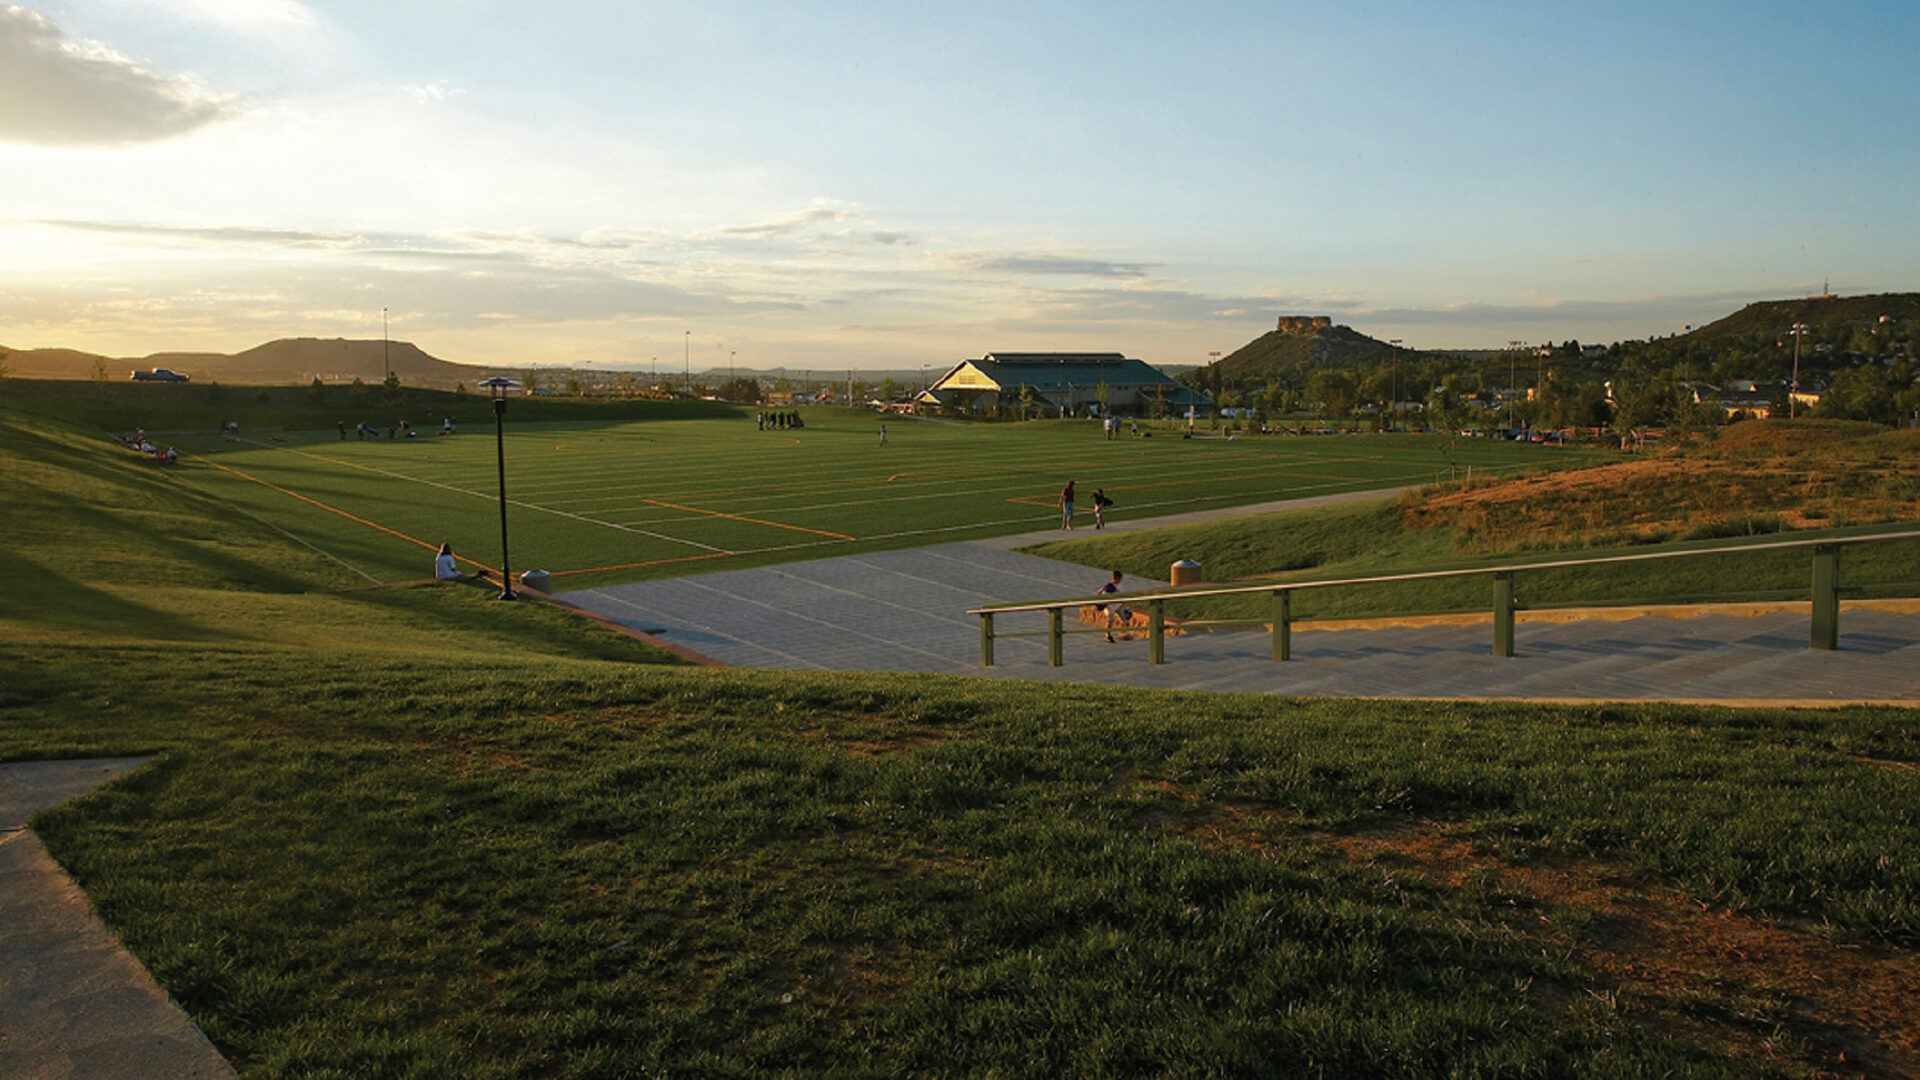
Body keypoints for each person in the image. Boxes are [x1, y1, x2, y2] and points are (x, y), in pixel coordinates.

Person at [1095, 570, 1130, 643]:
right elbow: (1102, 593)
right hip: (1110, 607)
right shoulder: (1109, 586)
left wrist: (1123, 602)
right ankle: (1108, 635)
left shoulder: (1119, 585)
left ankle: (1124, 633)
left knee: (1125, 618)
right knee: (1110, 621)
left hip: (1118, 605)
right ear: (1116, 578)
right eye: (1120, 579)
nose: (1120, 580)